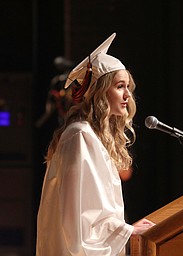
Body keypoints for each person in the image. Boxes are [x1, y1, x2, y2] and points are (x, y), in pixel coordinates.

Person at [36, 33, 155, 256]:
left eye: (128, 87)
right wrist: (127, 231)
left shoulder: (94, 137)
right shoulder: (80, 136)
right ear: (100, 91)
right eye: (120, 86)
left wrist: (125, 230)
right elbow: (78, 217)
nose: (128, 95)